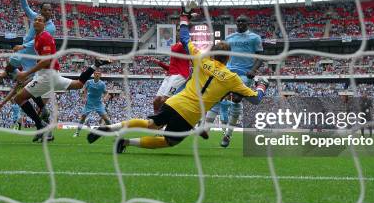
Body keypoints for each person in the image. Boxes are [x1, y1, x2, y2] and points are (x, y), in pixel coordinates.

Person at [87, 11, 269, 153]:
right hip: (190, 114)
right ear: (228, 57)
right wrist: (262, 86)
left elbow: (184, 38)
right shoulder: (232, 78)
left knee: (150, 124)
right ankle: (126, 141)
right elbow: (255, 99)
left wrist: (184, 18)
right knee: (169, 141)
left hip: (175, 102)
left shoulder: (201, 58)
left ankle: (109, 128)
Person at [12, 15, 110, 142]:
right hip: (52, 75)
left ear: (44, 25)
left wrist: (26, 73)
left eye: (40, 20)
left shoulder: (45, 37)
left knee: (19, 98)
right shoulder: (37, 37)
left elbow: (46, 61)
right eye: (35, 20)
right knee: (79, 84)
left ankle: (41, 126)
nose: (37, 21)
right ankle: (95, 65)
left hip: (47, 75)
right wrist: (22, 47)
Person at [205, 14, 263, 147]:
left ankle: (228, 135)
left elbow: (260, 57)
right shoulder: (229, 38)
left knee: (236, 99)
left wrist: (253, 70)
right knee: (217, 97)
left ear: (248, 23)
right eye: (238, 21)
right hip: (228, 71)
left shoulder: (255, 38)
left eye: (243, 21)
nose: (240, 23)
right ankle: (206, 128)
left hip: (244, 73)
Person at [73, 71, 112, 137]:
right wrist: (84, 97)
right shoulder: (89, 82)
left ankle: (113, 131)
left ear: (100, 75)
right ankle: (77, 132)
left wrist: (105, 97)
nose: (97, 74)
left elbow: (106, 92)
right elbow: (84, 90)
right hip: (89, 102)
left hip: (98, 103)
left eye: (98, 73)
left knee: (106, 119)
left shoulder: (102, 84)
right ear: (93, 74)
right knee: (83, 117)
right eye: (96, 73)